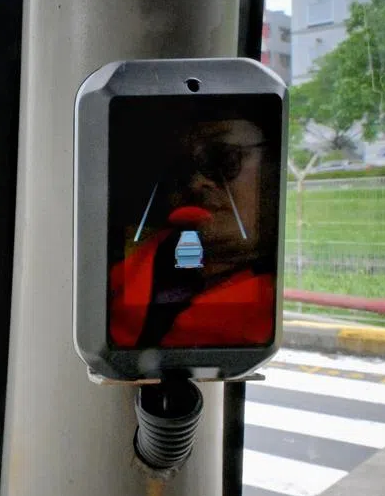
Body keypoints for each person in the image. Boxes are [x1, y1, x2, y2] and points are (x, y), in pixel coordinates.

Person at [110, 117, 276, 349]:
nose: (196, 183)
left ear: (275, 168)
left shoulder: (275, 302)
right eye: (183, 170)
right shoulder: (128, 269)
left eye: (222, 159)